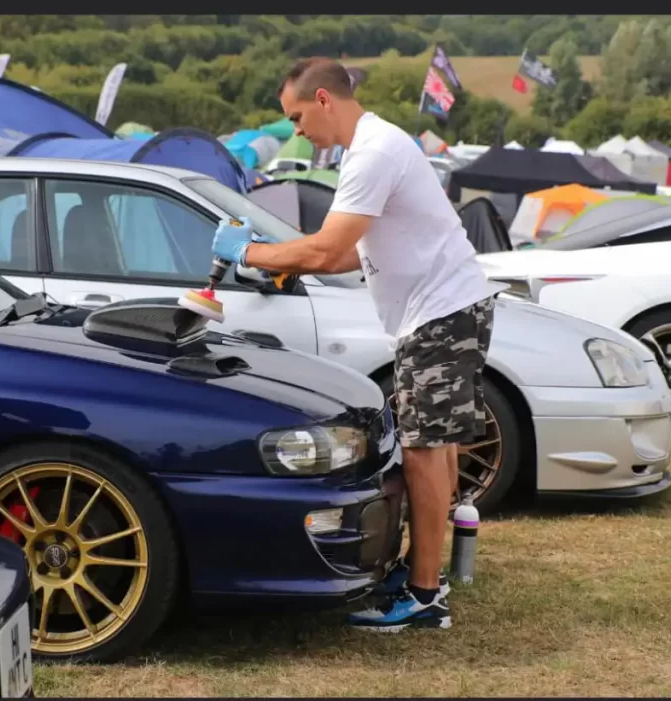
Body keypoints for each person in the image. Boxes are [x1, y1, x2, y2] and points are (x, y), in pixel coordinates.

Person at [210, 57, 506, 632]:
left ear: (324, 99)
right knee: (435, 447)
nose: (296, 130)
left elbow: (326, 251)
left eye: (296, 116)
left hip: (440, 311)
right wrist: (277, 260)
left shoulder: (372, 152)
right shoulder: (371, 148)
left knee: (423, 452)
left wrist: (248, 253)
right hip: (445, 308)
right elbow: (348, 254)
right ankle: (427, 576)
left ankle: (423, 597)